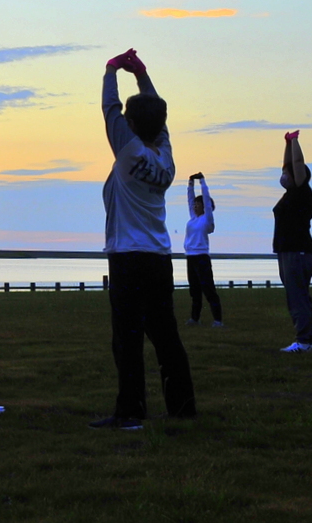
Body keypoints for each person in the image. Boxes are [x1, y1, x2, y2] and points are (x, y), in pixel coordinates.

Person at [91, 49, 195, 431]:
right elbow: (156, 116)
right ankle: (183, 407)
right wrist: (142, 74)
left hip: (127, 257)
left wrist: (112, 69)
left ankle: (131, 412)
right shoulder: (166, 159)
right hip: (158, 257)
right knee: (166, 335)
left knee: (127, 339)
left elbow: (109, 109)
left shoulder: (129, 149)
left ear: (131, 126)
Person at [274, 131, 312, 353]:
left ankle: (304, 341)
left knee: (297, 297)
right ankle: (307, 339)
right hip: (290, 251)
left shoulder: (301, 191)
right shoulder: (291, 193)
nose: (283, 175)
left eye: (287, 174)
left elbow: (297, 163)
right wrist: (286, 144)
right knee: (299, 295)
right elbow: (289, 164)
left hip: (297, 252)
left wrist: (295, 142)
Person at [183, 173, 222, 328]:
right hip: (190, 257)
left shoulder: (207, 219)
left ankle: (218, 320)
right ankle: (194, 319)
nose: (195, 205)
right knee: (195, 290)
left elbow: (206, 199)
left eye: (198, 204)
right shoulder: (193, 218)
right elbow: (189, 199)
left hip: (201, 257)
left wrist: (202, 182)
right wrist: (190, 183)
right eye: (195, 204)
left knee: (208, 289)